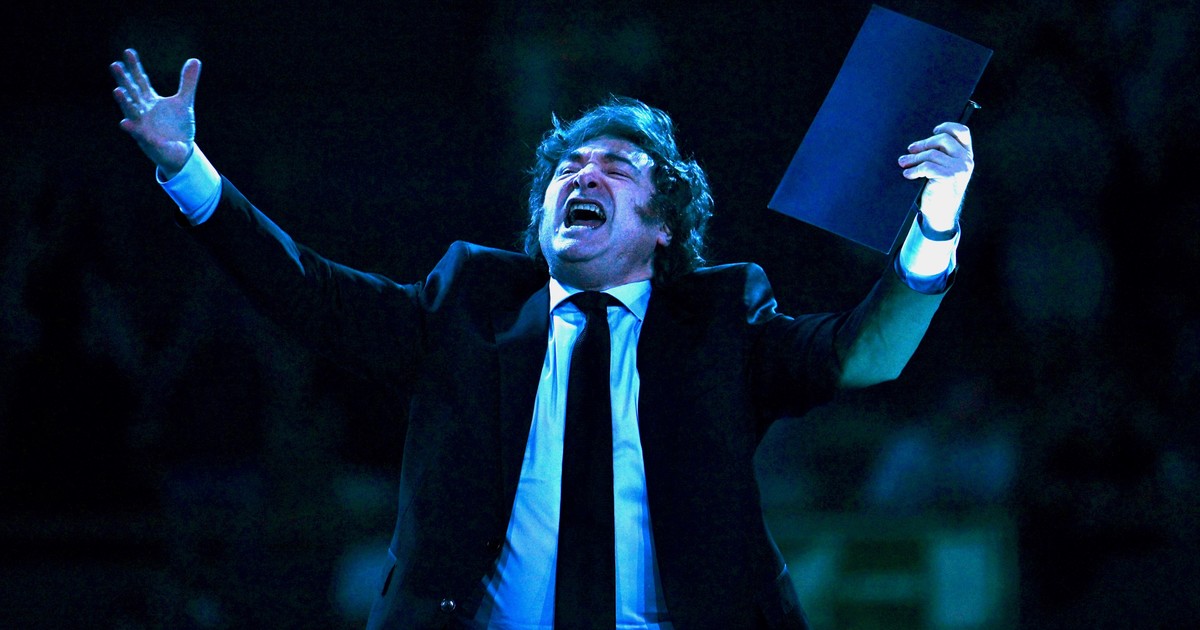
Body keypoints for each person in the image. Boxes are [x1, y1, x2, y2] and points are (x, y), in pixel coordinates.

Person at [110, 46, 973, 629]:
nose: (582, 174)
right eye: (567, 168)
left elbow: (867, 353)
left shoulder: (721, 320)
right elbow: (311, 292)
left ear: (664, 224)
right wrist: (187, 169)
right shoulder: (466, 304)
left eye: (615, 167)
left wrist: (936, 217)